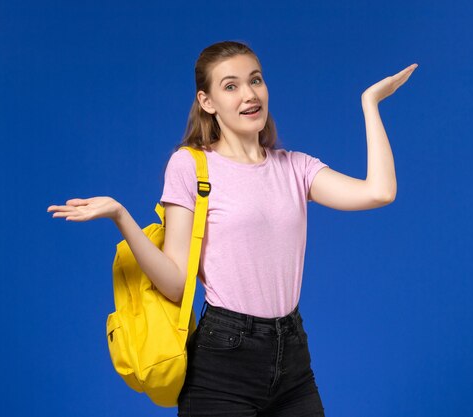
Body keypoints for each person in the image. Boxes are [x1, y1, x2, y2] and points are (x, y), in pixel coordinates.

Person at [47, 40, 417, 416]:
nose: (249, 94)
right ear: (207, 102)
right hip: (223, 359)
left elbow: (380, 191)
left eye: (255, 80)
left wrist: (370, 103)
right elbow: (176, 282)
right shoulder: (190, 167)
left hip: (292, 356)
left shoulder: (296, 168)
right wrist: (121, 217)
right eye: (230, 86)